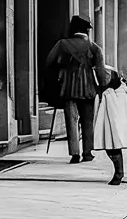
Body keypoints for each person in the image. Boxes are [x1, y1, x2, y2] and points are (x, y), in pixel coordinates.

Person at [43, 15, 105, 164]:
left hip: (68, 88)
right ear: (86, 30)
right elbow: (100, 70)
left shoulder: (62, 44)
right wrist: (103, 87)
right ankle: (87, 152)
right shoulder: (93, 47)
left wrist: (61, 70)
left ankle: (75, 154)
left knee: (71, 121)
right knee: (88, 121)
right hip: (89, 89)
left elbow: (49, 62)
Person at [95, 65, 127, 185]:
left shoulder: (103, 71)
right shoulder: (103, 69)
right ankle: (119, 172)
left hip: (112, 100)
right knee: (110, 139)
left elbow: (105, 83)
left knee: (111, 138)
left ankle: (119, 173)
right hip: (112, 97)